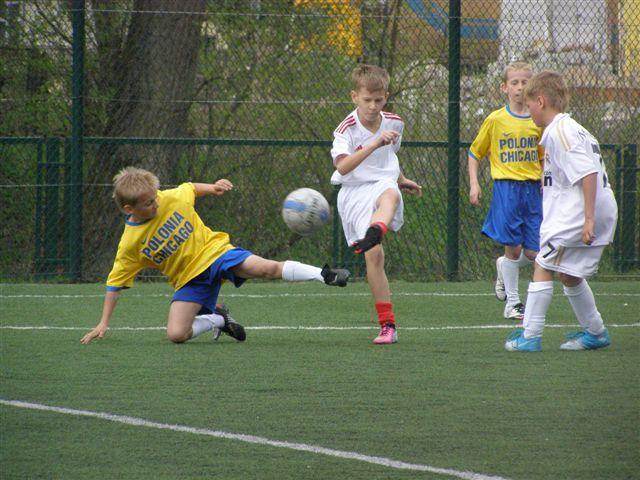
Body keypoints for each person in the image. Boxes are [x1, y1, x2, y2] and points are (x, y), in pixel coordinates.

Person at [80, 167, 350, 345]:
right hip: (189, 280)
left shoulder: (169, 197)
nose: (157, 203)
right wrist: (104, 322)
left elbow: (189, 187)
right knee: (176, 334)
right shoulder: (130, 243)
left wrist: (213, 187)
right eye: (149, 202)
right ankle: (219, 318)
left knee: (266, 268)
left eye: (156, 197)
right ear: (129, 208)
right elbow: (115, 283)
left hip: (216, 253)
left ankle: (324, 275)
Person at [505, 70, 617, 352]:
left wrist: (588, 219)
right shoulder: (573, 128)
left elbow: (587, 172)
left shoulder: (560, 131)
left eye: (529, 104)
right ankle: (596, 332)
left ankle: (530, 336)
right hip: (592, 209)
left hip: (580, 213)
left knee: (543, 264)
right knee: (569, 273)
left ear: (541, 101)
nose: (528, 110)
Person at [330, 64, 422, 345]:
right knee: (374, 256)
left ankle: (376, 229)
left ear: (386, 97)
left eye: (378, 100)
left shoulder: (395, 122)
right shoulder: (345, 129)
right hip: (354, 192)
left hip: (383, 185)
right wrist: (373, 144)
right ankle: (386, 324)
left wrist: (402, 179)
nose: (372, 106)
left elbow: (389, 157)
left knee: (391, 193)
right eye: (367, 100)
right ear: (354, 97)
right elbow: (343, 167)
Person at [468, 62, 544, 320]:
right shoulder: (496, 119)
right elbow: (474, 153)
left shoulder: (538, 121)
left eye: (525, 82)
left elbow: (543, 157)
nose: (520, 87)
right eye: (515, 82)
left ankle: (505, 266)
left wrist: (546, 182)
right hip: (506, 188)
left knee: (534, 252)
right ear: (504, 87)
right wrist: (474, 183)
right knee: (513, 248)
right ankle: (513, 303)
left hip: (532, 190)